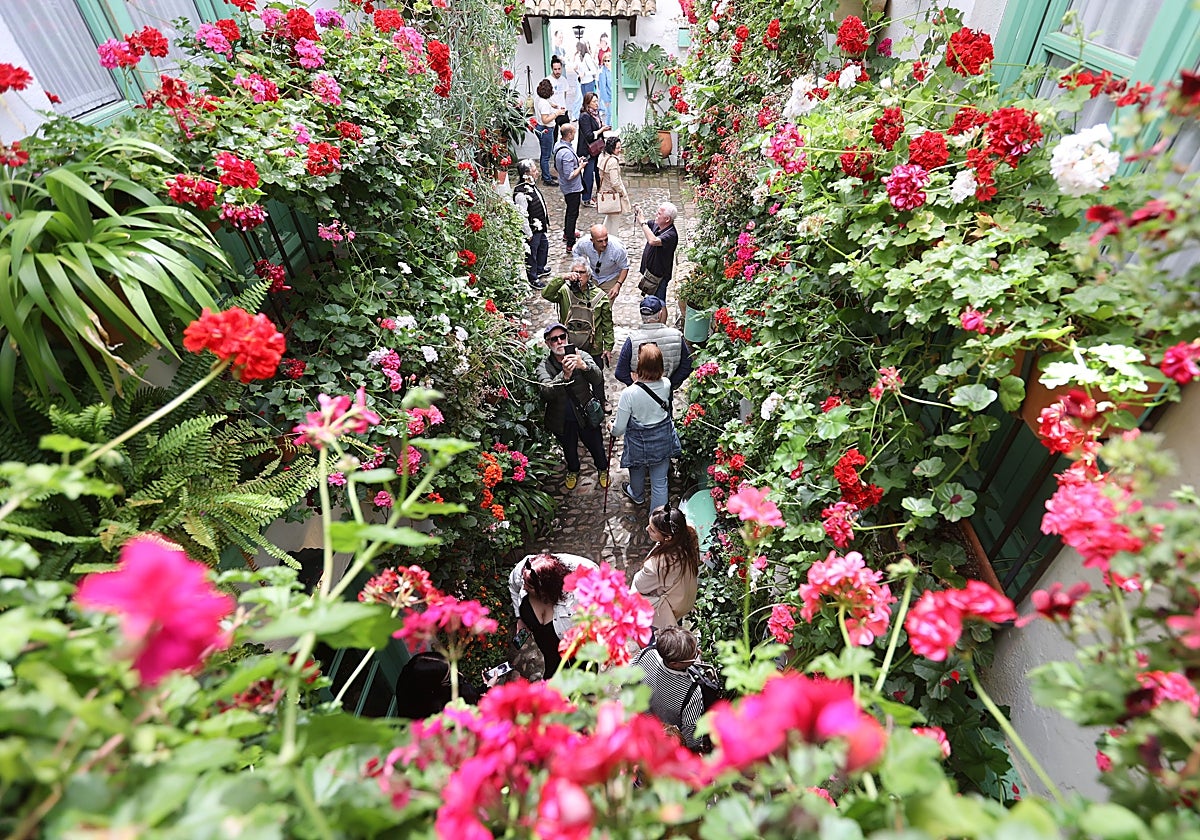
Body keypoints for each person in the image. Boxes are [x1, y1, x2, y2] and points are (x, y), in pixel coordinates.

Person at [536, 321, 610, 491]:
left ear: (567, 338)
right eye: (554, 339)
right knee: (569, 448)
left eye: (562, 337)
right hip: (562, 418)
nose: (560, 342)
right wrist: (565, 375)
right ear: (548, 343)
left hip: (585, 412)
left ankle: (602, 468)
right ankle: (573, 470)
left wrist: (584, 367)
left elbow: (598, 378)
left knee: (596, 444)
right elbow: (546, 392)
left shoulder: (581, 355)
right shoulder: (544, 366)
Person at [611, 343, 678, 511]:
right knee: (660, 482)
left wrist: (609, 427)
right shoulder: (667, 384)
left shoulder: (629, 394)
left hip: (638, 444)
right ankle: (658, 521)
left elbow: (619, 429)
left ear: (639, 364)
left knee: (637, 470)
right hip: (662, 440)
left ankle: (637, 495)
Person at [509, 552, 597, 678]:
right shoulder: (525, 568)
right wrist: (520, 618)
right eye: (524, 582)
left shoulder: (574, 596)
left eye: (529, 586)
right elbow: (513, 586)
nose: (524, 587)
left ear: (546, 588)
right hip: (548, 648)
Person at [632, 626, 706, 750]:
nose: (699, 652)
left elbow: (627, 682)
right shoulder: (691, 692)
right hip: (666, 742)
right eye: (694, 655)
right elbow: (692, 738)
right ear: (674, 664)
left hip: (640, 728)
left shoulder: (647, 653)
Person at [631, 506, 700, 629]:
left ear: (668, 538)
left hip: (671, 607)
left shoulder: (657, 565)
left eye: (652, 530)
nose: (646, 529)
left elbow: (640, 584)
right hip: (685, 597)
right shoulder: (688, 534)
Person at [542, 258, 614, 372]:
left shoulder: (600, 297)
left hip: (594, 346)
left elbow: (607, 324)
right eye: (576, 272)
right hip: (569, 344)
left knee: (597, 377)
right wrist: (562, 278)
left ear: (589, 275)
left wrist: (608, 347)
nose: (578, 275)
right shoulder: (564, 291)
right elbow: (546, 294)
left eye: (582, 272)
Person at [615, 295, 693, 390]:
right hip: (666, 394)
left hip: (640, 394)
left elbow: (620, 372)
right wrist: (670, 384)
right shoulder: (676, 336)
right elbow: (688, 365)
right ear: (660, 314)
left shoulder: (632, 340)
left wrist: (638, 386)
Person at [393, 651, 482, 719]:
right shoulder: (441, 716)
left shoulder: (409, 682)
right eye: (449, 677)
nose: (459, 673)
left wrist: (486, 686)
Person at [513, 159, 551, 288]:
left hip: (540, 227)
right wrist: (528, 232)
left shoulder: (531, 186)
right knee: (531, 255)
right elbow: (522, 215)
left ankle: (540, 268)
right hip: (532, 230)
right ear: (526, 173)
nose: (537, 173)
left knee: (543, 247)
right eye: (534, 171)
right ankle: (533, 277)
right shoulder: (521, 193)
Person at [633, 202, 680, 303]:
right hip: (649, 274)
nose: (656, 215)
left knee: (659, 303)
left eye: (659, 214)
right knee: (650, 300)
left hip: (659, 278)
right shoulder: (657, 225)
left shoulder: (671, 235)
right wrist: (639, 213)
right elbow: (646, 224)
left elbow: (653, 241)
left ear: (667, 219)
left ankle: (661, 319)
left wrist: (643, 223)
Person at [571, 224, 630, 302]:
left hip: (610, 277)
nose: (604, 244)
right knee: (589, 303)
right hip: (592, 276)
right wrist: (582, 268)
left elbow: (624, 267)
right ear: (592, 240)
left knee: (605, 307)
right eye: (600, 241)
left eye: (606, 239)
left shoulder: (618, 249)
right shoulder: (584, 243)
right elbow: (576, 252)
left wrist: (618, 284)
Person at [553, 125, 586, 253]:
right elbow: (569, 175)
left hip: (567, 186)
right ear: (570, 134)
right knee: (573, 213)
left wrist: (577, 161)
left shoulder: (559, 146)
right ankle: (570, 242)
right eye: (574, 133)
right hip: (572, 188)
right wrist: (581, 166)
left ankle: (568, 232)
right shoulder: (566, 153)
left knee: (570, 211)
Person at [576, 92, 609, 207]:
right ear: (588, 103)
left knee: (598, 172)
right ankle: (586, 198)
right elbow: (589, 135)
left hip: (597, 149)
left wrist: (601, 127)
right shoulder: (585, 116)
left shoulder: (595, 114)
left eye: (597, 101)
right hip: (588, 151)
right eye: (594, 101)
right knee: (588, 174)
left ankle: (600, 193)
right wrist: (601, 130)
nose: (596, 103)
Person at [596, 135, 630, 234]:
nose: (620, 150)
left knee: (610, 217)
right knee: (614, 220)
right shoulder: (612, 162)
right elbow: (615, 182)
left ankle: (600, 234)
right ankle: (613, 242)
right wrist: (622, 192)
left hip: (605, 190)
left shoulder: (602, 156)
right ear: (612, 148)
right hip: (613, 194)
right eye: (618, 148)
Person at [533, 79, 564, 186]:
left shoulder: (538, 99)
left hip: (539, 127)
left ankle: (546, 174)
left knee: (544, 153)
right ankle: (546, 178)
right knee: (546, 155)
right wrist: (557, 113)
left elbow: (545, 103)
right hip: (546, 129)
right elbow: (545, 119)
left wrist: (552, 105)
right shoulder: (544, 104)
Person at [543, 55, 571, 143]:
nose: (557, 71)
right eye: (555, 69)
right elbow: (544, 97)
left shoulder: (564, 80)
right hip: (552, 112)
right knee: (553, 136)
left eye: (559, 69)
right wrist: (551, 105)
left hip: (563, 111)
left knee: (567, 134)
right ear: (552, 69)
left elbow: (565, 94)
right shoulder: (547, 80)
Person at [573, 40, 599, 110]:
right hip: (582, 82)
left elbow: (594, 70)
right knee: (585, 101)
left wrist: (585, 73)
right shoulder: (578, 56)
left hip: (589, 82)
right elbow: (578, 69)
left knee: (590, 101)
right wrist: (576, 70)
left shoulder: (587, 56)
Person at [597, 52, 614, 127]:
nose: (606, 63)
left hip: (615, 95)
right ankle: (608, 126)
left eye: (608, 61)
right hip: (608, 96)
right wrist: (606, 100)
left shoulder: (614, 69)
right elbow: (602, 87)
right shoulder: (602, 71)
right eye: (605, 61)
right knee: (609, 113)